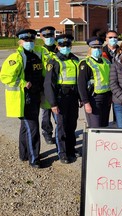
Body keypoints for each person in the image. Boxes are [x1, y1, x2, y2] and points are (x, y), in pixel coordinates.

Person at [0, 29, 46, 168]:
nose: (29, 43)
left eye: (32, 40)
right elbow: (5, 77)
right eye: (26, 40)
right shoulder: (16, 57)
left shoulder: (37, 53)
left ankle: (24, 154)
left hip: (36, 96)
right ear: (20, 41)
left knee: (25, 128)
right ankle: (34, 159)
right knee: (32, 128)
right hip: (24, 99)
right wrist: (23, 83)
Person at [44, 34, 80, 164]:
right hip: (60, 98)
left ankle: (71, 149)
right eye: (63, 45)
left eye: (68, 45)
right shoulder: (54, 61)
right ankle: (63, 153)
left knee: (72, 125)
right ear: (58, 46)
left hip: (73, 98)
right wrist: (53, 103)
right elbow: (49, 84)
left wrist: (81, 97)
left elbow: (79, 80)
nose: (66, 47)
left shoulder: (75, 60)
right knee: (62, 127)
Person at [78, 36, 112, 128]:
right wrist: (86, 102)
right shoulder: (86, 63)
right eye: (94, 47)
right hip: (93, 99)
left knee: (104, 126)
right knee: (95, 127)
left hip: (106, 98)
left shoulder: (107, 62)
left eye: (99, 47)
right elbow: (81, 84)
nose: (97, 49)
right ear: (90, 49)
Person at [39, 26, 57, 144]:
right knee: (46, 113)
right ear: (42, 37)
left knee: (58, 113)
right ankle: (47, 133)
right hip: (44, 87)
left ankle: (61, 134)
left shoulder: (59, 49)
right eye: (46, 36)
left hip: (57, 86)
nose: (48, 38)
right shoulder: (39, 51)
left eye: (50, 35)